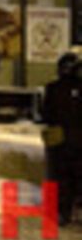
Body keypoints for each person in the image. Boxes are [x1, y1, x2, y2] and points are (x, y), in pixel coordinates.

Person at [42, 49, 82, 226]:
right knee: (78, 177)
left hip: (60, 141)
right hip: (79, 140)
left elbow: (46, 114)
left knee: (60, 177)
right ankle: (76, 209)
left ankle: (62, 213)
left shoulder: (52, 88)